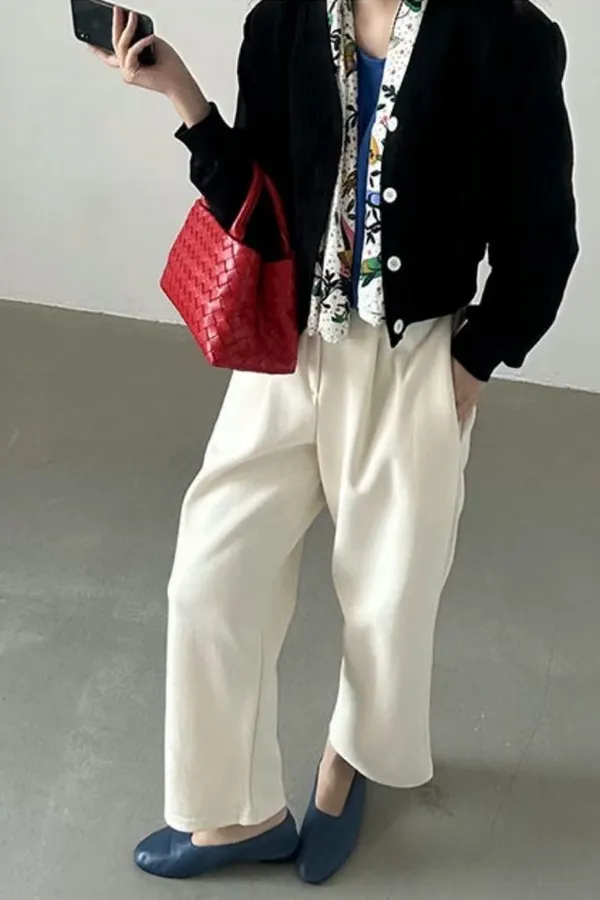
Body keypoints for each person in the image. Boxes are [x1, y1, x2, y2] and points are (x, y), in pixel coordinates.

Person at [91, 0, 578, 885]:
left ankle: (345, 767)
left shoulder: (507, 35)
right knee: (211, 571)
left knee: (388, 594)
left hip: (412, 357)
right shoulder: (280, 22)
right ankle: (236, 813)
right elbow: (262, 209)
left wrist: (474, 358)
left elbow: (543, 231)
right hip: (290, 347)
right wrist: (182, 97)